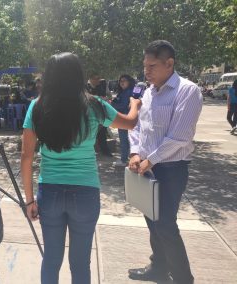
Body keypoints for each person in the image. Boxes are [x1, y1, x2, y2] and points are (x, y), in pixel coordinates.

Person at [21, 52, 141, 284]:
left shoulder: (37, 107)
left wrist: (29, 200)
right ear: (78, 75)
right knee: (80, 262)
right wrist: (135, 104)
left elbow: (26, 157)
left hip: (51, 193)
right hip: (85, 193)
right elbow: (130, 122)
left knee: (51, 259)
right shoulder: (95, 105)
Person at [128, 40, 202, 284]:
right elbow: (139, 126)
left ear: (169, 64)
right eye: (144, 66)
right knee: (152, 221)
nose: (146, 72)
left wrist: (151, 160)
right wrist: (135, 153)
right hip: (146, 166)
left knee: (166, 225)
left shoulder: (187, 91)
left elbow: (180, 136)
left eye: (152, 66)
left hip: (170, 169)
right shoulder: (148, 92)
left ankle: (183, 278)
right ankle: (158, 268)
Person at [111, 74, 136, 166]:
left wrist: (111, 105)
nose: (122, 82)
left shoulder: (128, 92)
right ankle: (127, 159)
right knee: (128, 139)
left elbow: (123, 105)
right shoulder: (123, 91)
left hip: (125, 118)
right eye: (120, 81)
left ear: (129, 81)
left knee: (124, 139)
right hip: (126, 118)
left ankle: (123, 160)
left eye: (124, 80)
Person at [86, 74, 113, 156]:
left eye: (99, 78)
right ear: (91, 79)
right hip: (90, 115)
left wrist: (104, 98)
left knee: (102, 133)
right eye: (96, 78)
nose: (98, 80)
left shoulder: (101, 86)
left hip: (101, 114)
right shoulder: (85, 87)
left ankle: (105, 151)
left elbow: (107, 96)